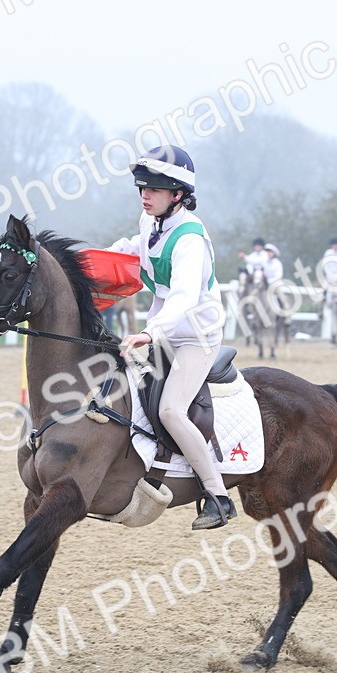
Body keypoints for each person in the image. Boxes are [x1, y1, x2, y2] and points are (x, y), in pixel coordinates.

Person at [109, 145, 235, 530]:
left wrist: (149, 333)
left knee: (170, 410)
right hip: (164, 330)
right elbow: (139, 248)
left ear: (178, 194)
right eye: (142, 187)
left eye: (154, 189)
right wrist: (103, 256)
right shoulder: (152, 221)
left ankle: (218, 495)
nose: (145, 195)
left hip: (196, 335)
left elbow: (182, 297)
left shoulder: (190, 239)